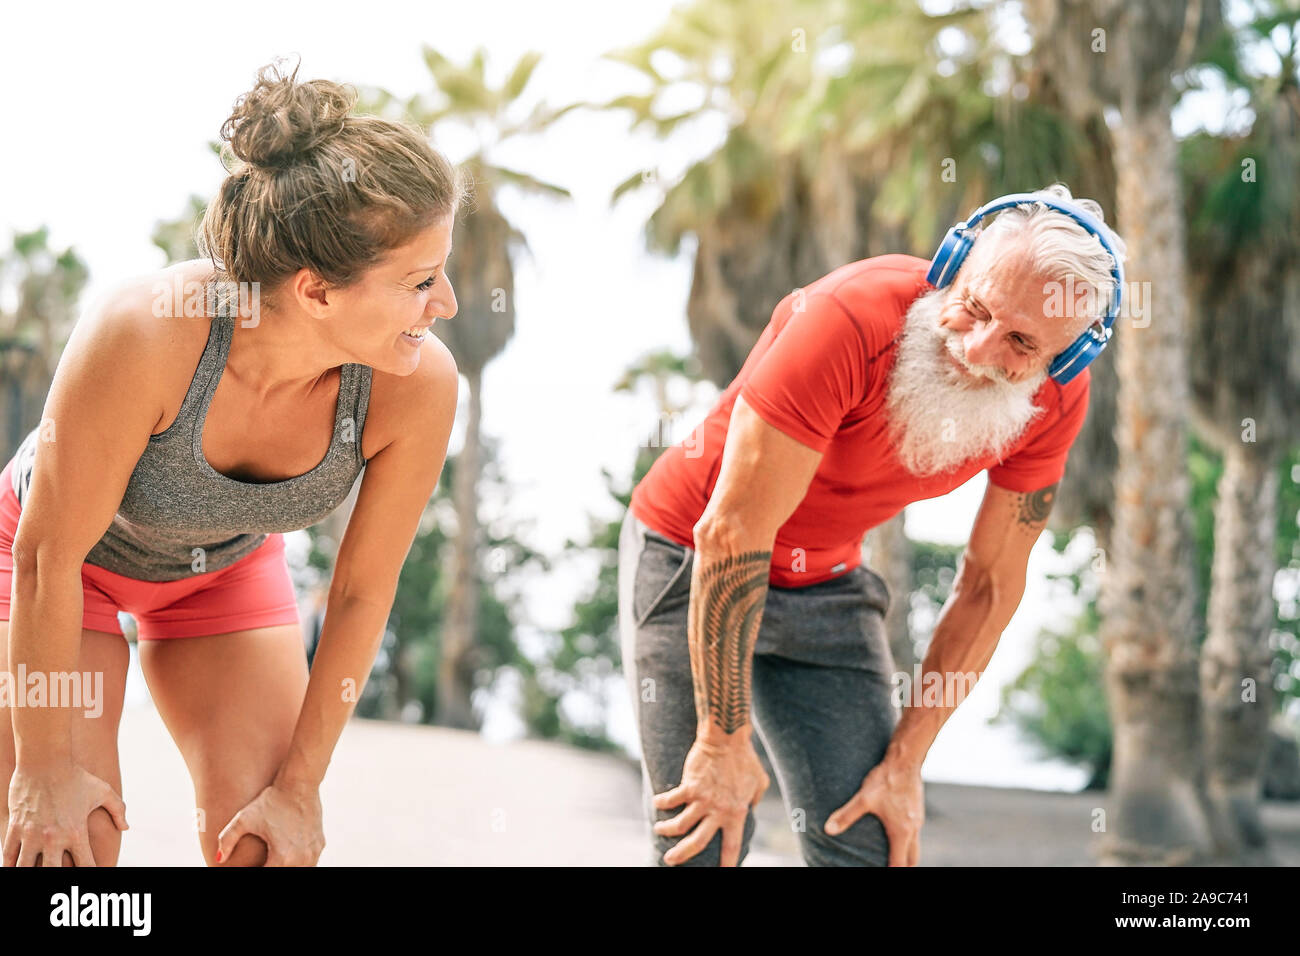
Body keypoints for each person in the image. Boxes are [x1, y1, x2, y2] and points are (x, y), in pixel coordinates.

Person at [0, 57, 463, 866]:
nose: (448, 303)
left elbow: (359, 592)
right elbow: (47, 555)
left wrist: (300, 791)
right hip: (55, 563)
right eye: (421, 281)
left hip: (220, 573)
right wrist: (41, 774)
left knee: (264, 844)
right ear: (316, 292)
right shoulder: (146, 333)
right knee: (69, 851)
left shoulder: (414, 385)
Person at [617, 183, 1127, 866]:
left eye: (1020, 342)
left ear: (1064, 357)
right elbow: (733, 533)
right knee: (702, 838)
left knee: (871, 841)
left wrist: (905, 764)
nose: (977, 349)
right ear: (954, 264)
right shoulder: (847, 317)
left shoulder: (1056, 401)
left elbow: (988, 587)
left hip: (826, 581)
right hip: (691, 550)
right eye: (974, 307)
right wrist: (721, 741)